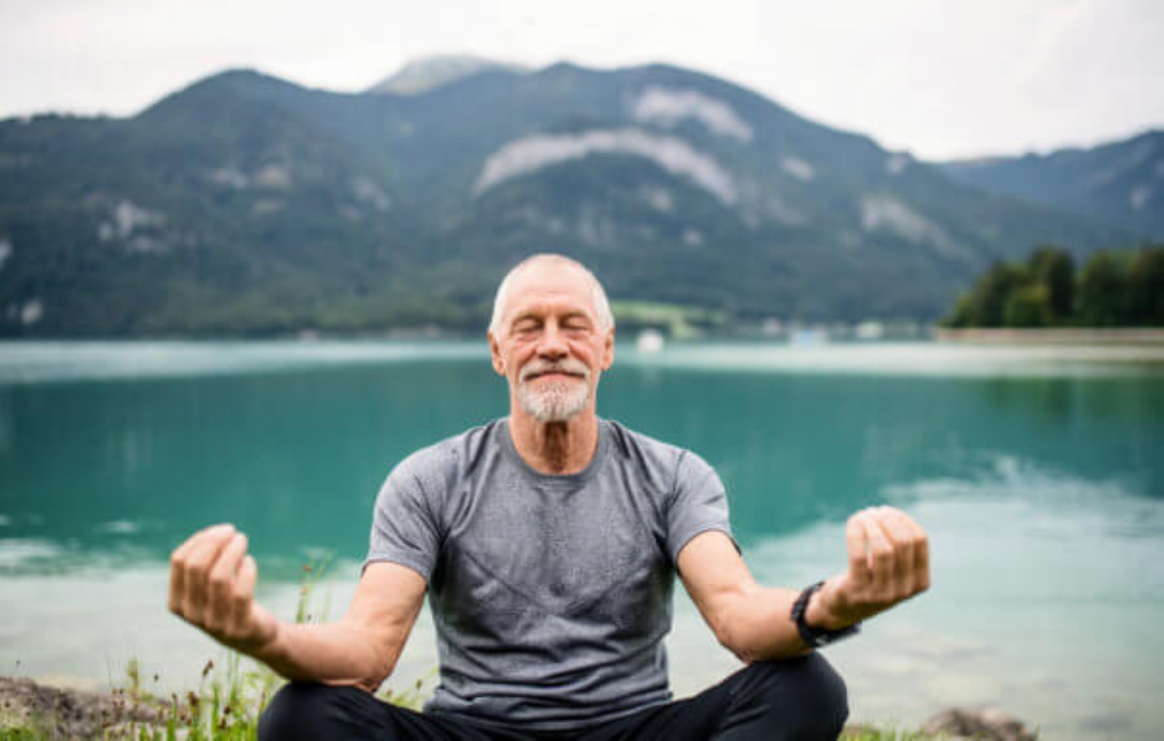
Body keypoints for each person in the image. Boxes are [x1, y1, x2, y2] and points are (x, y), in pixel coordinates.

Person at [168, 254, 930, 741]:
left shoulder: (673, 474)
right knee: (303, 715)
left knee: (806, 686)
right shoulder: (428, 478)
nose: (553, 343)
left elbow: (737, 615)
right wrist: (259, 632)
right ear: (499, 352)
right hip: (476, 731)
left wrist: (835, 603)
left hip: (635, 729)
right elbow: (367, 653)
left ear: (605, 347)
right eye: (528, 327)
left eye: (573, 325)